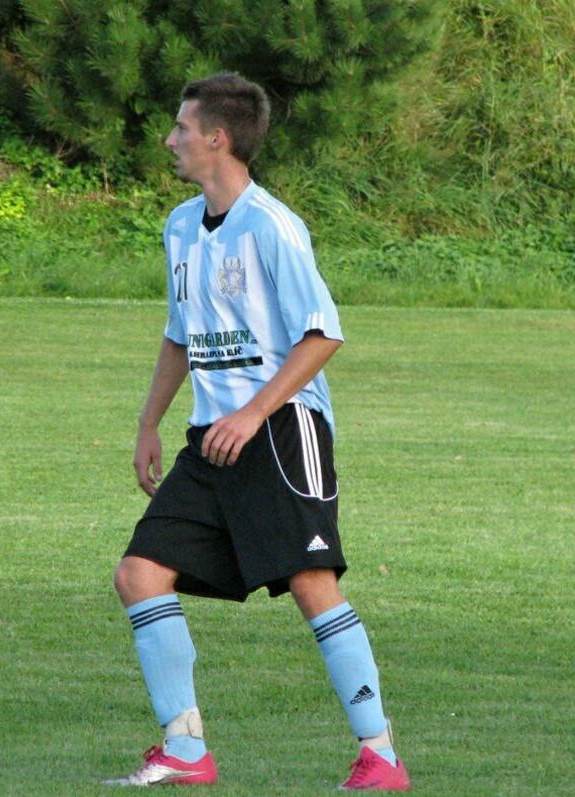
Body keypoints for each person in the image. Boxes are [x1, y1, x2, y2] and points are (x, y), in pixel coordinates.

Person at [105, 73, 409, 791]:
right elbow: (179, 334)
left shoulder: (271, 225)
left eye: (182, 128)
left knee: (311, 581)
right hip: (210, 439)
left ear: (218, 138)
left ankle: (381, 755)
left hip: (281, 431)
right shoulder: (181, 226)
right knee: (139, 573)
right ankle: (185, 749)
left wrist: (253, 413)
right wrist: (149, 422)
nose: (170, 140)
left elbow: (323, 334)